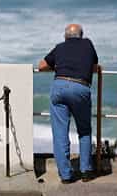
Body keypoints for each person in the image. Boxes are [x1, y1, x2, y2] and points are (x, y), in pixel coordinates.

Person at [38, 24, 98, 184]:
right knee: (84, 130)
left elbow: (41, 65)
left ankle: (65, 175)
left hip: (60, 86)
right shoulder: (88, 44)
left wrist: (57, 65)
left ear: (65, 37)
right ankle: (85, 171)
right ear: (82, 35)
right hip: (80, 87)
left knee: (60, 133)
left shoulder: (60, 47)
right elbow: (93, 66)